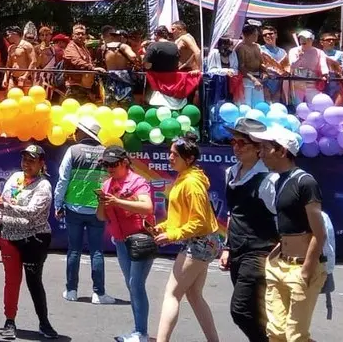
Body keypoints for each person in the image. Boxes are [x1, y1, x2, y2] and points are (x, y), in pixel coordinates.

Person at [250, 126, 327, 342]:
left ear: (282, 151)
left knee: (296, 336)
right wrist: (272, 259)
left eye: (266, 148)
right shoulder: (279, 180)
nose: (261, 153)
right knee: (275, 333)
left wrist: (306, 271)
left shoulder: (305, 182)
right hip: (279, 266)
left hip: (302, 267)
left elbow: (319, 234)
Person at [152, 134, 222, 342]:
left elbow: (199, 221)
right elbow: (183, 217)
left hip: (200, 241)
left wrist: (172, 234)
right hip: (202, 241)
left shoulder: (191, 183)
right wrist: (164, 227)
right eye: (170, 153)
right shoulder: (186, 178)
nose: (170, 157)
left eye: (175, 154)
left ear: (189, 158)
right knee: (193, 294)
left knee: (172, 294)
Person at [0, 144, 57, 340]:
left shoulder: (44, 185)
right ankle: (9, 321)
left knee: (34, 282)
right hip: (8, 237)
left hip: (34, 240)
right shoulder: (14, 178)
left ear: (41, 163)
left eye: (31, 160)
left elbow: (34, 212)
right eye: (24, 159)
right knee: (11, 282)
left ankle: (44, 323)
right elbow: (1, 208)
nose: (26, 164)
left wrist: (7, 205)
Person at [221, 118, 278, 342]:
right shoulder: (231, 173)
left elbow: (281, 218)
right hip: (237, 250)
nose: (236, 147)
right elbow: (232, 213)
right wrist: (227, 247)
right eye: (234, 142)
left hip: (259, 252)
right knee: (255, 312)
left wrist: (277, 251)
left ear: (258, 149)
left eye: (242, 143)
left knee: (241, 310)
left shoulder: (268, 179)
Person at [53, 117, 114, 305]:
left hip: (74, 207)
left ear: (83, 132)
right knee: (97, 251)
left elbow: (63, 179)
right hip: (98, 208)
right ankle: (98, 293)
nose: (75, 133)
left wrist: (58, 203)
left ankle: (71, 290)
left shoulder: (73, 150)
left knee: (74, 250)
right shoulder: (106, 152)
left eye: (77, 130)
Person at [97, 146, 155, 342]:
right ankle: (138, 330)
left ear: (124, 163)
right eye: (106, 164)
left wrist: (117, 202)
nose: (109, 168)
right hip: (121, 241)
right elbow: (100, 217)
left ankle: (141, 333)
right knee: (132, 286)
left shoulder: (137, 182)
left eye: (113, 164)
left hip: (140, 240)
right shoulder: (107, 185)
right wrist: (102, 202)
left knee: (135, 284)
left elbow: (147, 207)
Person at [62, 24, 97, 101]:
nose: (80, 36)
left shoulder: (83, 47)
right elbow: (76, 60)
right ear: (72, 35)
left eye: (82, 34)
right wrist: (92, 68)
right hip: (74, 87)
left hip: (86, 86)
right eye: (78, 34)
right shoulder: (70, 47)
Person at [6, 23, 37, 90]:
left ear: (15, 34)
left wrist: (25, 76)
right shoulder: (11, 48)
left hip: (24, 78)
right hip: (13, 77)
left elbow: (33, 61)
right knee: (11, 97)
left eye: (9, 34)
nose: (7, 37)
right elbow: (8, 65)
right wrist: (5, 78)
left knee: (25, 99)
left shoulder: (27, 45)